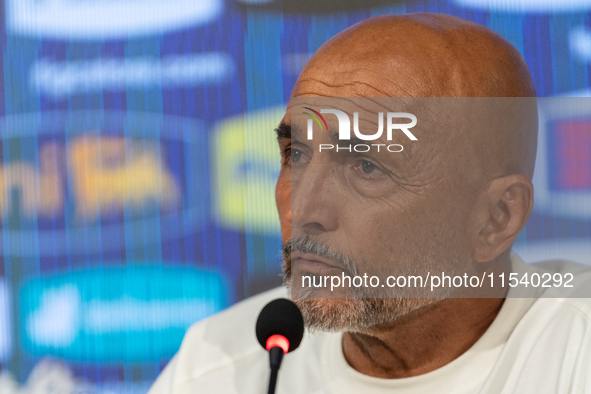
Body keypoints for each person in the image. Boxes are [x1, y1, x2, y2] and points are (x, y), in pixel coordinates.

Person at [149, 13, 591, 394]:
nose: (303, 211)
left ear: (496, 218)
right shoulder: (215, 368)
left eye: (365, 165)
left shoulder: (577, 351)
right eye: (296, 155)